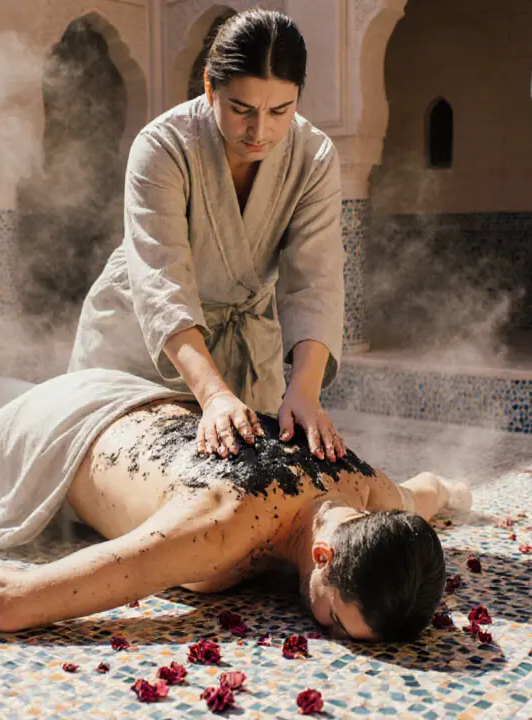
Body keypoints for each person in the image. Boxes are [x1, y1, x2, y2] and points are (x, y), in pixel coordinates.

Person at [0, 366, 471, 641]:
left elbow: (430, 491)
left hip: (128, 394)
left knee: (41, 400)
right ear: (323, 556)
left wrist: (460, 496)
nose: (319, 624)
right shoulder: (220, 524)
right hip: (59, 435)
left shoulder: (366, 486)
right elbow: (11, 600)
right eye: (331, 618)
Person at [68, 10, 348, 464]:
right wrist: (213, 395)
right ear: (209, 87)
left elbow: (314, 280)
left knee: (247, 484)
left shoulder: (314, 156)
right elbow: (162, 284)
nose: (260, 131)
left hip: (243, 344)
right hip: (143, 342)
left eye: (280, 110)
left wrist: (305, 392)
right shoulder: (161, 147)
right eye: (242, 110)